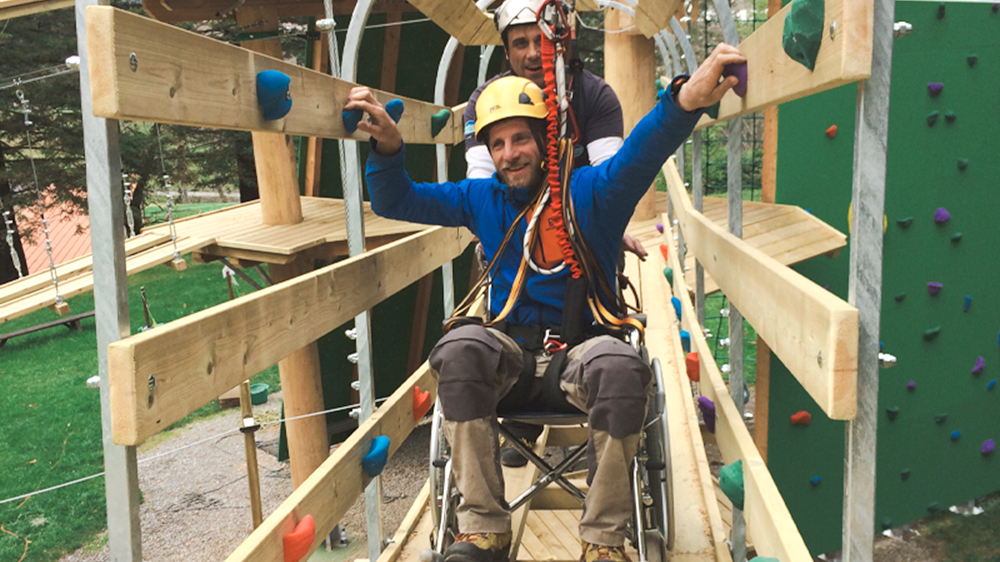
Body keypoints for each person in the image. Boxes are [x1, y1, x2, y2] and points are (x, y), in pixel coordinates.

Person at [346, 43, 744, 562]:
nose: (509, 153)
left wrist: (684, 100)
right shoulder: (481, 199)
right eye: (497, 144)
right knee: (458, 349)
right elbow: (396, 200)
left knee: (622, 367)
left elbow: (641, 152)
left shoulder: (594, 193)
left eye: (520, 139)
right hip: (509, 355)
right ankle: (483, 530)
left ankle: (603, 542)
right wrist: (389, 148)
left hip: (583, 353)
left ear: (545, 141)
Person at [468, 0, 645, 466]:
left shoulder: (594, 95)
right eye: (520, 43)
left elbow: (612, 176)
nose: (532, 52)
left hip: (583, 224)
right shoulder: (488, 100)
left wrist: (611, 228)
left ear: (564, 37)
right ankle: (524, 397)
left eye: (541, 39)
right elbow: (481, 183)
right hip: (517, 224)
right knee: (503, 264)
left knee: (591, 260)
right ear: (506, 50)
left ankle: (591, 395)